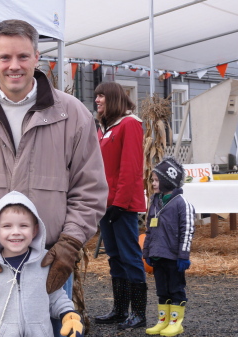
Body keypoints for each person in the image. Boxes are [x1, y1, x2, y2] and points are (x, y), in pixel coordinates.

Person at [0, 19, 107, 333]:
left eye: (23, 56)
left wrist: (69, 244)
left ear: (37, 57)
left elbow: (90, 188)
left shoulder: (71, 114)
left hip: (48, 264)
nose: (15, 66)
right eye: (5, 57)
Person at [0, 191, 84, 337]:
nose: (16, 232)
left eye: (23, 226)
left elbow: (56, 297)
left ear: (35, 230)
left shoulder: (46, 262)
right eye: (7, 226)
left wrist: (68, 315)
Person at [94, 81, 147, 330]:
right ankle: (119, 309)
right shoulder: (104, 128)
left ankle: (138, 313)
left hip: (121, 205)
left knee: (130, 256)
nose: (97, 100)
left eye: (101, 96)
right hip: (106, 204)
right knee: (115, 257)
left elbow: (131, 168)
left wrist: (120, 203)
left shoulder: (130, 124)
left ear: (113, 98)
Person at [143, 157, 195, 336]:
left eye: (156, 180)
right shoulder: (155, 202)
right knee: (162, 290)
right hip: (158, 255)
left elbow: (187, 231)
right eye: (153, 180)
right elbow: (149, 229)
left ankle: (176, 322)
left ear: (167, 181)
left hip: (174, 257)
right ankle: (163, 321)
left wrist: (183, 256)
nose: (153, 184)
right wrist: (147, 251)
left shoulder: (182, 203)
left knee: (176, 289)